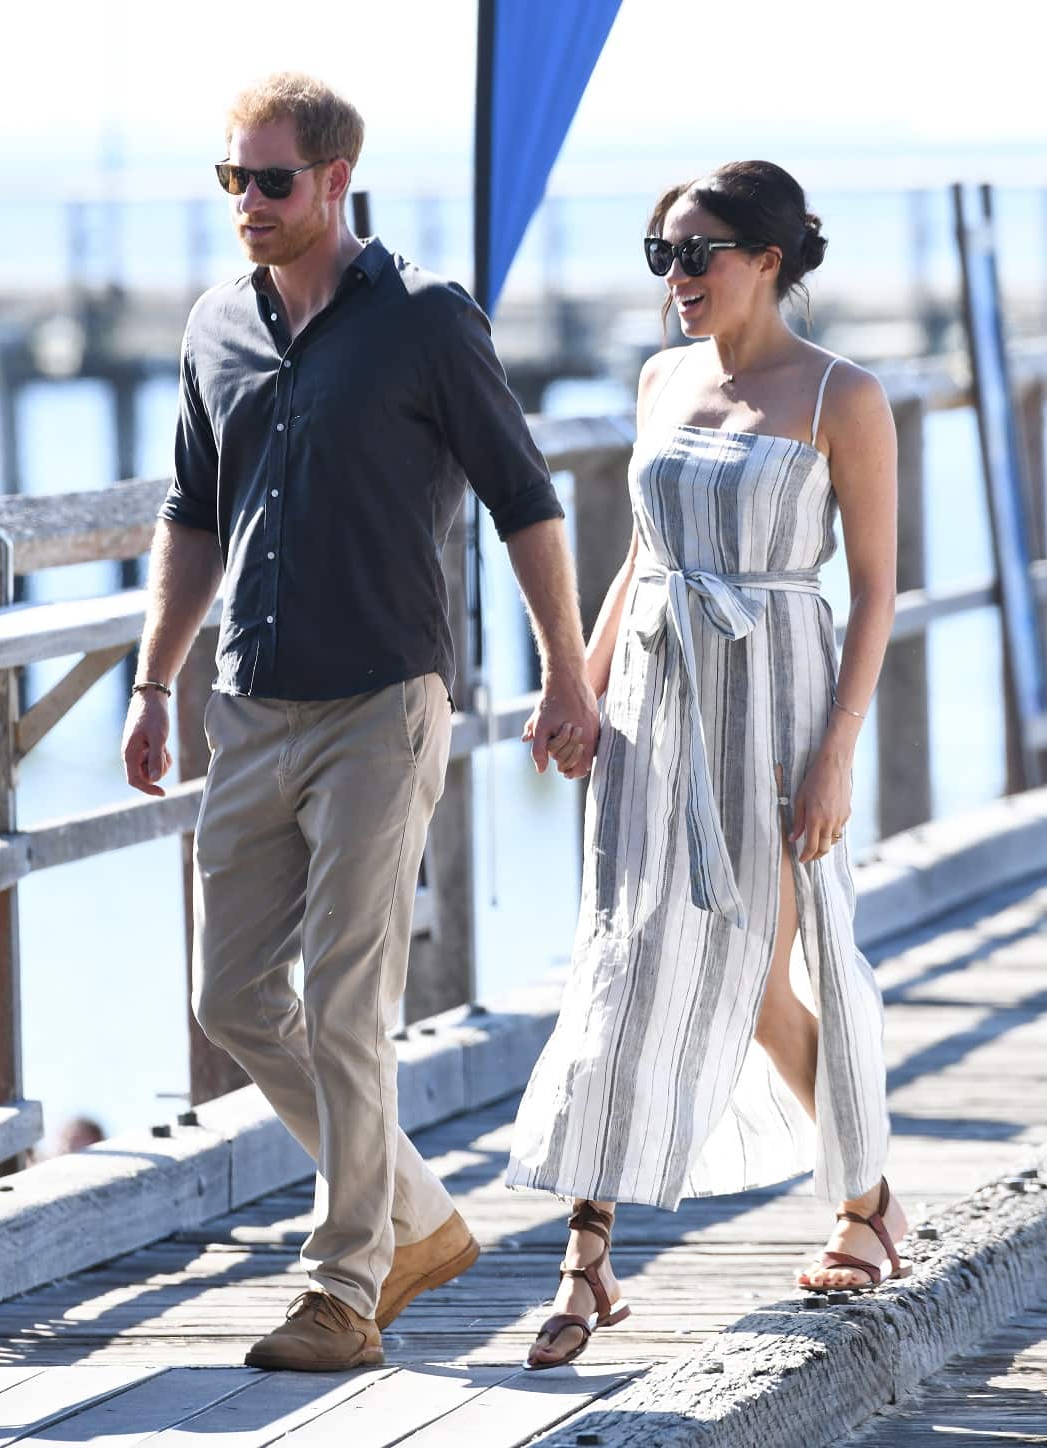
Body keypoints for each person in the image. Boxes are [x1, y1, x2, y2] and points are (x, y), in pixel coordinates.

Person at [121, 70, 598, 1374]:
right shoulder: (214, 325)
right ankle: (424, 1222)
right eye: (233, 180)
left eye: (271, 181)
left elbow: (524, 497)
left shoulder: (429, 322)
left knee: (344, 998)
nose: (248, 205)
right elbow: (191, 514)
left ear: (337, 179)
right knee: (231, 999)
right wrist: (156, 682)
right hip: (248, 701)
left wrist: (566, 673)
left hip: (386, 698)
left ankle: (342, 1287)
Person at [507, 160, 905, 1370]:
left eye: (699, 253)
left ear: (770, 258)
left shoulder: (843, 393)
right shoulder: (660, 378)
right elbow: (644, 550)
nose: (675, 278)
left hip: (777, 705)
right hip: (652, 701)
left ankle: (869, 1194)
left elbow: (879, 589)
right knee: (623, 960)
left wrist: (835, 754)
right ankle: (587, 1253)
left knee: (765, 969)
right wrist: (574, 676)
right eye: (660, 255)